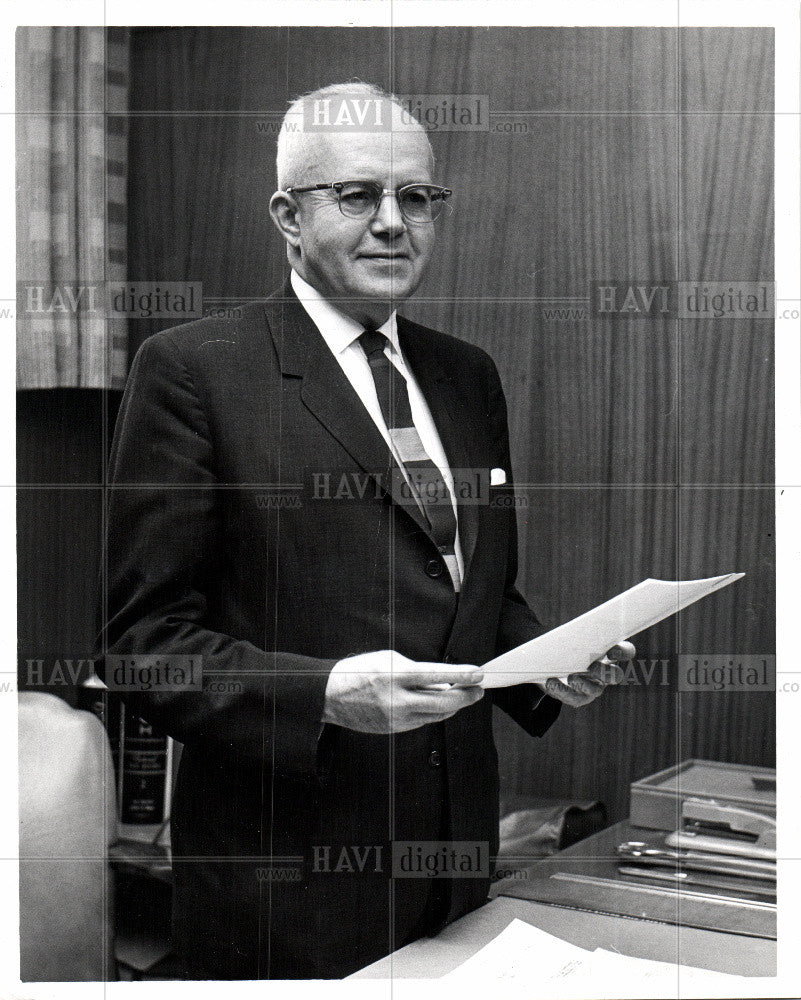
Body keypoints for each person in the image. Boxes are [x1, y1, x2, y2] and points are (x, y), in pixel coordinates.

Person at [100, 82, 632, 980]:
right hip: (285, 885)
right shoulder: (195, 371)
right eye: (357, 195)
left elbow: (473, 595)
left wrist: (549, 664)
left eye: (415, 197)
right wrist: (326, 693)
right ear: (287, 216)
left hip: (452, 857)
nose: (393, 222)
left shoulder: (467, 377)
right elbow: (140, 648)